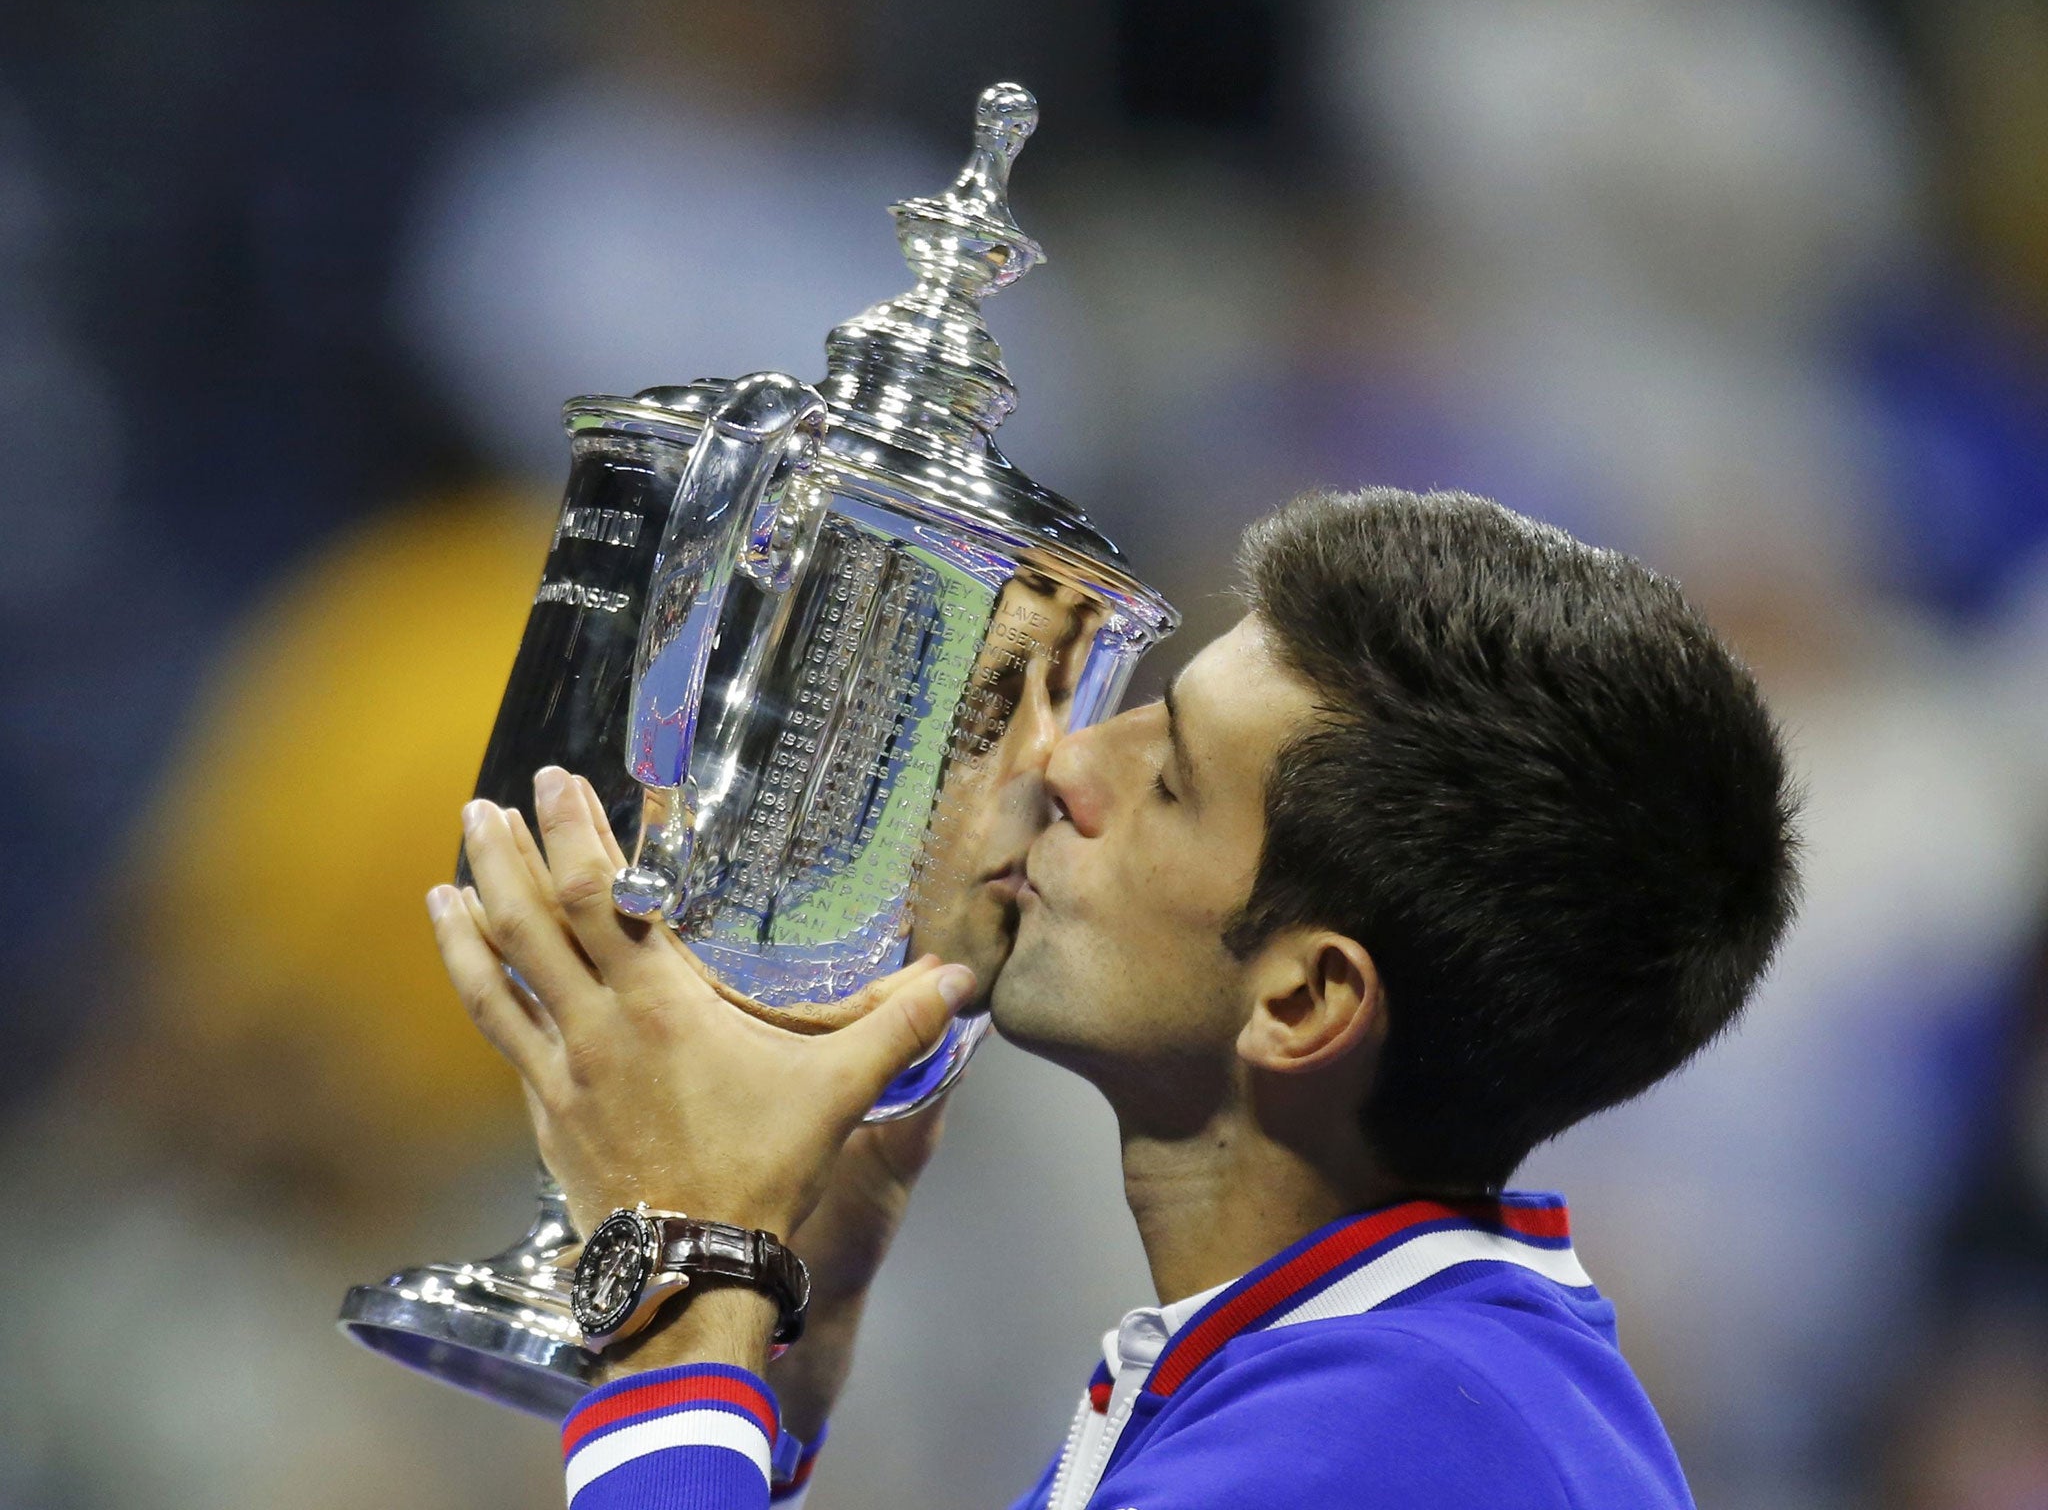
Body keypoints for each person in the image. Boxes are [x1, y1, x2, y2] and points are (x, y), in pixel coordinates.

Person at [427, 489, 1801, 1509]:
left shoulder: (1388, 1443)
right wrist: (791, 1323)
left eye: (1171, 779)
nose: (1076, 762)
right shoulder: (1385, 1383)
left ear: (1307, 1000)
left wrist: (688, 1261)